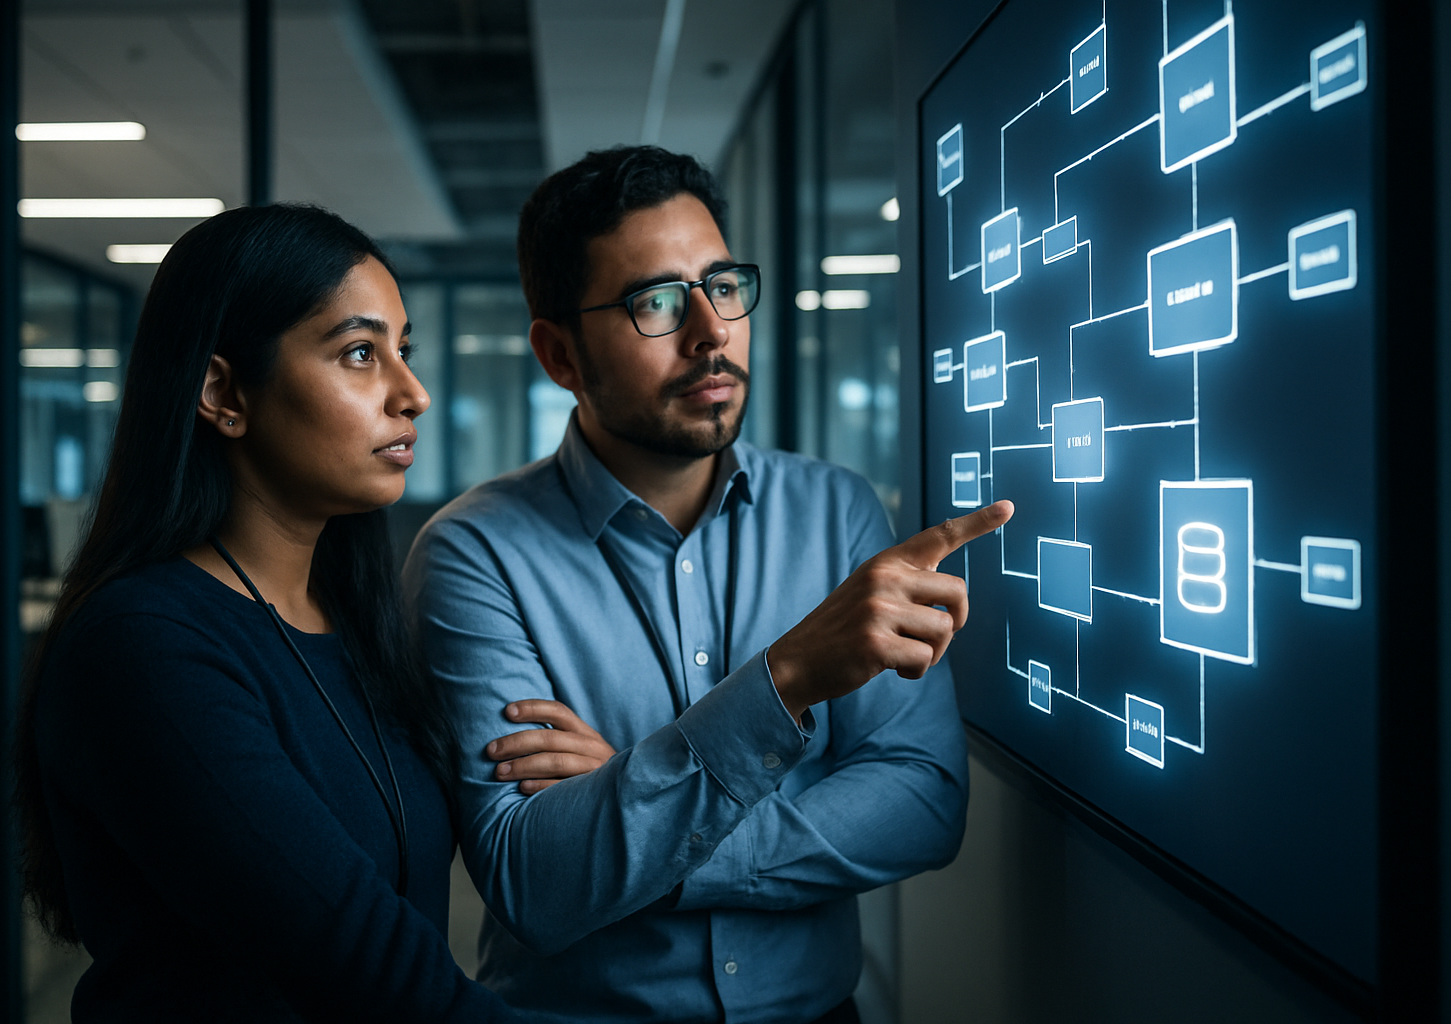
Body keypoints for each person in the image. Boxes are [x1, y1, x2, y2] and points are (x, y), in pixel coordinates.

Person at [402, 146, 1012, 1023]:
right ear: (559, 354)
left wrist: (635, 801)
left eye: (722, 286)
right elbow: (534, 880)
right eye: (655, 301)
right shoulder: (472, 555)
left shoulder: (836, 511)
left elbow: (923, 799)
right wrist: (788, 681)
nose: (710, 330)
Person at [15, 203, 571, 1022]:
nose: (412, 393)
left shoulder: (351, 626)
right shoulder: (144, 649)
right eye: (358, 353)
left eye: (402, 351)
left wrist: (607, 774)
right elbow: (371, 965)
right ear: (222, 391)